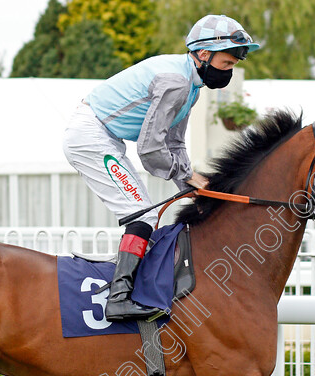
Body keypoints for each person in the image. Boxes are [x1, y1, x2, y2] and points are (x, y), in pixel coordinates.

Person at [63, 14, 260, 322]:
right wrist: (187, 177)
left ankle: (130, 288)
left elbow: (175, 143)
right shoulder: (177, 82)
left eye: (234, 66)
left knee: (148, 213)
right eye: (227, 63)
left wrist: (189, 186)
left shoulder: (191, 85)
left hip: (106, 136)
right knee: (144, 213)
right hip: (91, 135)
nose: (229, 71)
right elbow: (151, 150)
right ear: (203, 54)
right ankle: (118, 299)